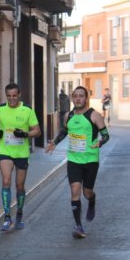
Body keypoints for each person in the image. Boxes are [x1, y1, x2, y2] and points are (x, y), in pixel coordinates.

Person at [45, 86, 109, 239]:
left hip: (90, 160)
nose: (78, 99)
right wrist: (55, 142)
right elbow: (65, 131)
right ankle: (78, 226)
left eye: (81, 96)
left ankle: (92, 200)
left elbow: (106, 135)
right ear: (72, 98)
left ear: (86, 98)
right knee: (75, 191)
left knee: (87, 193)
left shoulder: (94, 115)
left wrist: (99, 143)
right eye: (75, 96)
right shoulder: (68, 115)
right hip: (73, 160)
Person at [0, 82, 41, 231]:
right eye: (9, 96)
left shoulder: (27, 110)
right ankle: (7, 217)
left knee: (19, 186)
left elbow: (37, 131)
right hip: (5, 151)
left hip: (22, 153)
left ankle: (19, 214)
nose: (11, 99)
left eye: (14, 96)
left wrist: (25, 134)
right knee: (6, 181)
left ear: (19, 95)